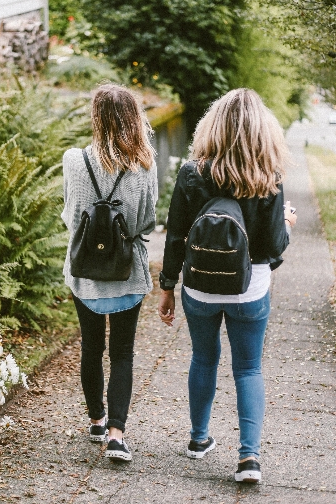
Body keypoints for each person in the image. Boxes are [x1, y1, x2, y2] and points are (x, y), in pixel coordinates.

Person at [158, 88, 297, 483]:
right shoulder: (268, 176)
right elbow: (272, 248)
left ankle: (198, 440)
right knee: (249, 368)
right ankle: (248, 459)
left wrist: (167, 286)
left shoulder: (191, 173)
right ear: (263, 131)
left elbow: (175, 237)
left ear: (212, 125)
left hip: (199, 289)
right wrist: (285, 222)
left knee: (203, 359)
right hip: (250, 289)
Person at [61, 84, 157, 462]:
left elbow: (70, 217)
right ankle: (117, 436)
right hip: (127, 274)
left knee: (90, 347)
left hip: (85, 274)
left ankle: (97, 420)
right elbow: (147, 221)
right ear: (134, 118)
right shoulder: (144, 166)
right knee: (122, 355)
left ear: (96, 118)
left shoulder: (74, 160)